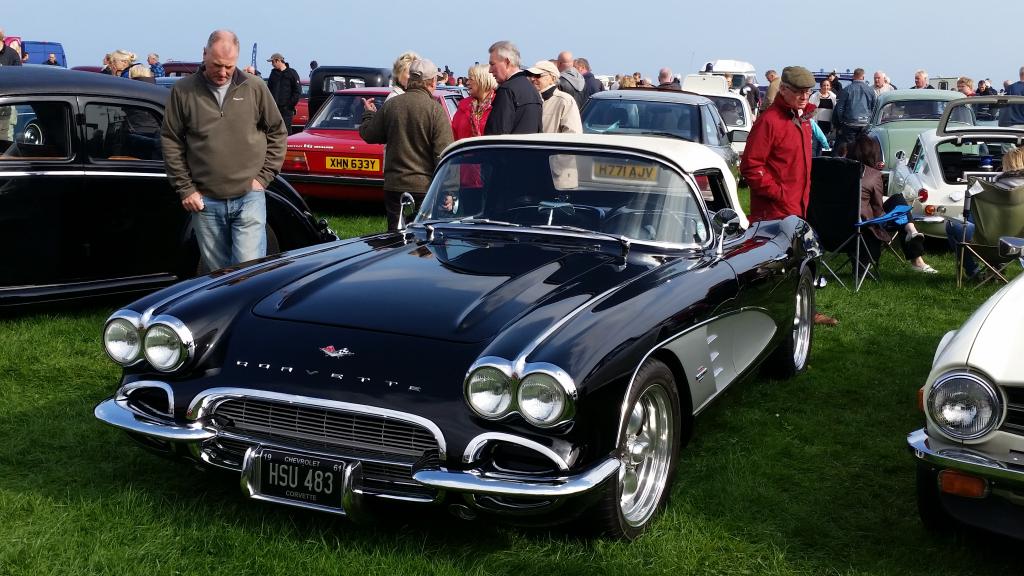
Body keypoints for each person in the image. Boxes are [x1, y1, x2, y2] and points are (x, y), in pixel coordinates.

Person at [161, 29, 287, 272]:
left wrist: (263, 178)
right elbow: (171, 140)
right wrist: (185, 188)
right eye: (216, 65)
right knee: (218, 276)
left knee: (248, 271)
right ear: (204, 54)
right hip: (205, 200)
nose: (222, 72)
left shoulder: (254, 87)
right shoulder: (183, 90)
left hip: (249, 195)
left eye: (229, 66)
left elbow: (277, 132)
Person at [740, 65, 837, 325]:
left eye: (808, 91)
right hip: (774, 211)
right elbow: (751, 166)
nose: (804, 96)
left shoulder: (802, 120)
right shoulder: (769, 121)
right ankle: (769, 318)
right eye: (798, 91)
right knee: (774, 269)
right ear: (783, 90)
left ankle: (802, 311)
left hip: (797, 206)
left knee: (798, 261)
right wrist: (779, 193)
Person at [360, 58, 454, 231]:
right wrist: (448, 190)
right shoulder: (435, 110)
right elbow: (443, 154)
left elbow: (369, 135)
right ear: (432, 82)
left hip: (394, 186)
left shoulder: (392, 105)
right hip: (424, 188)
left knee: (395, 237)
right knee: (423, 238)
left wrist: (368, 114)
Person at [845, 134, 936, 273]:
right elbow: (877, 210)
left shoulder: (839, 175)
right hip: (864, 226)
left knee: (897, 202)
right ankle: (915, 248)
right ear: (872, 155)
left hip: (839, 228)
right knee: (900, 207)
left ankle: (910, 231)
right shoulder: (872, 175)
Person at [946, 148, 1024, 279]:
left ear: (1006, 166)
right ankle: (999, 268)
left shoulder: (988, 191)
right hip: (1019, 245)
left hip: (985, 245)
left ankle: (973, 271)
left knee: (953, 225)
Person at [484, 40, 542, 135]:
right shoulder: (532, 89)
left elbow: (496, 135)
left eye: (492, 64)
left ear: (507, 62)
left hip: (510, 145)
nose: (490, 70)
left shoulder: (507, 90)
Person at [526, 60, 582, 134]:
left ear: (552, 78)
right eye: (531, 75)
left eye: (538, 75)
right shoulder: (528, 99)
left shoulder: (564, 101)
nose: (532, 79)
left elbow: (573, 133)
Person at [451, 64, 496, 140]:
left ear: (482, 80)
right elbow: (453, 134)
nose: (467, 83)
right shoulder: (463, 106)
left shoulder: (499, 104)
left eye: (471, 79)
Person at [833, 68, 875, 147]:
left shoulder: (847, 89)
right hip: (865, 123)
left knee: (850, 147)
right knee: (863, 146)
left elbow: (839, 108)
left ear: (853, 76)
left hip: (850, 123)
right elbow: (874, 107)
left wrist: (841, 121)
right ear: (863, 77)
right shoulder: (870, 90)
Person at [267, 52, 301, 131]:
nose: (272, 64)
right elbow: (268, 90)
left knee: (285, 131)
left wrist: (289, 106)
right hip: (274, 109)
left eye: (273, 62)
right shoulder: (273, 73)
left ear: (278, 61)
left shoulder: (292, 73)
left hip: (286, 111)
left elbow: (297, 91)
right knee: (274, 130)